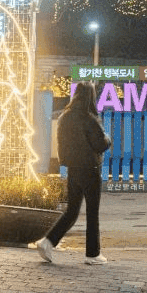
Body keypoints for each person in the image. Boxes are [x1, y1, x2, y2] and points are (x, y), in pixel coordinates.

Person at [36, 82, 111, 265]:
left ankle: (47, 242)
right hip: (91, 170)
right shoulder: (89, 118)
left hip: (73, 169)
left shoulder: (64, 116)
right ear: (90, 97)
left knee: (72, 211)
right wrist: (107, 138)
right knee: (92, 213)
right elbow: (100, 144)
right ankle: (92, 255)